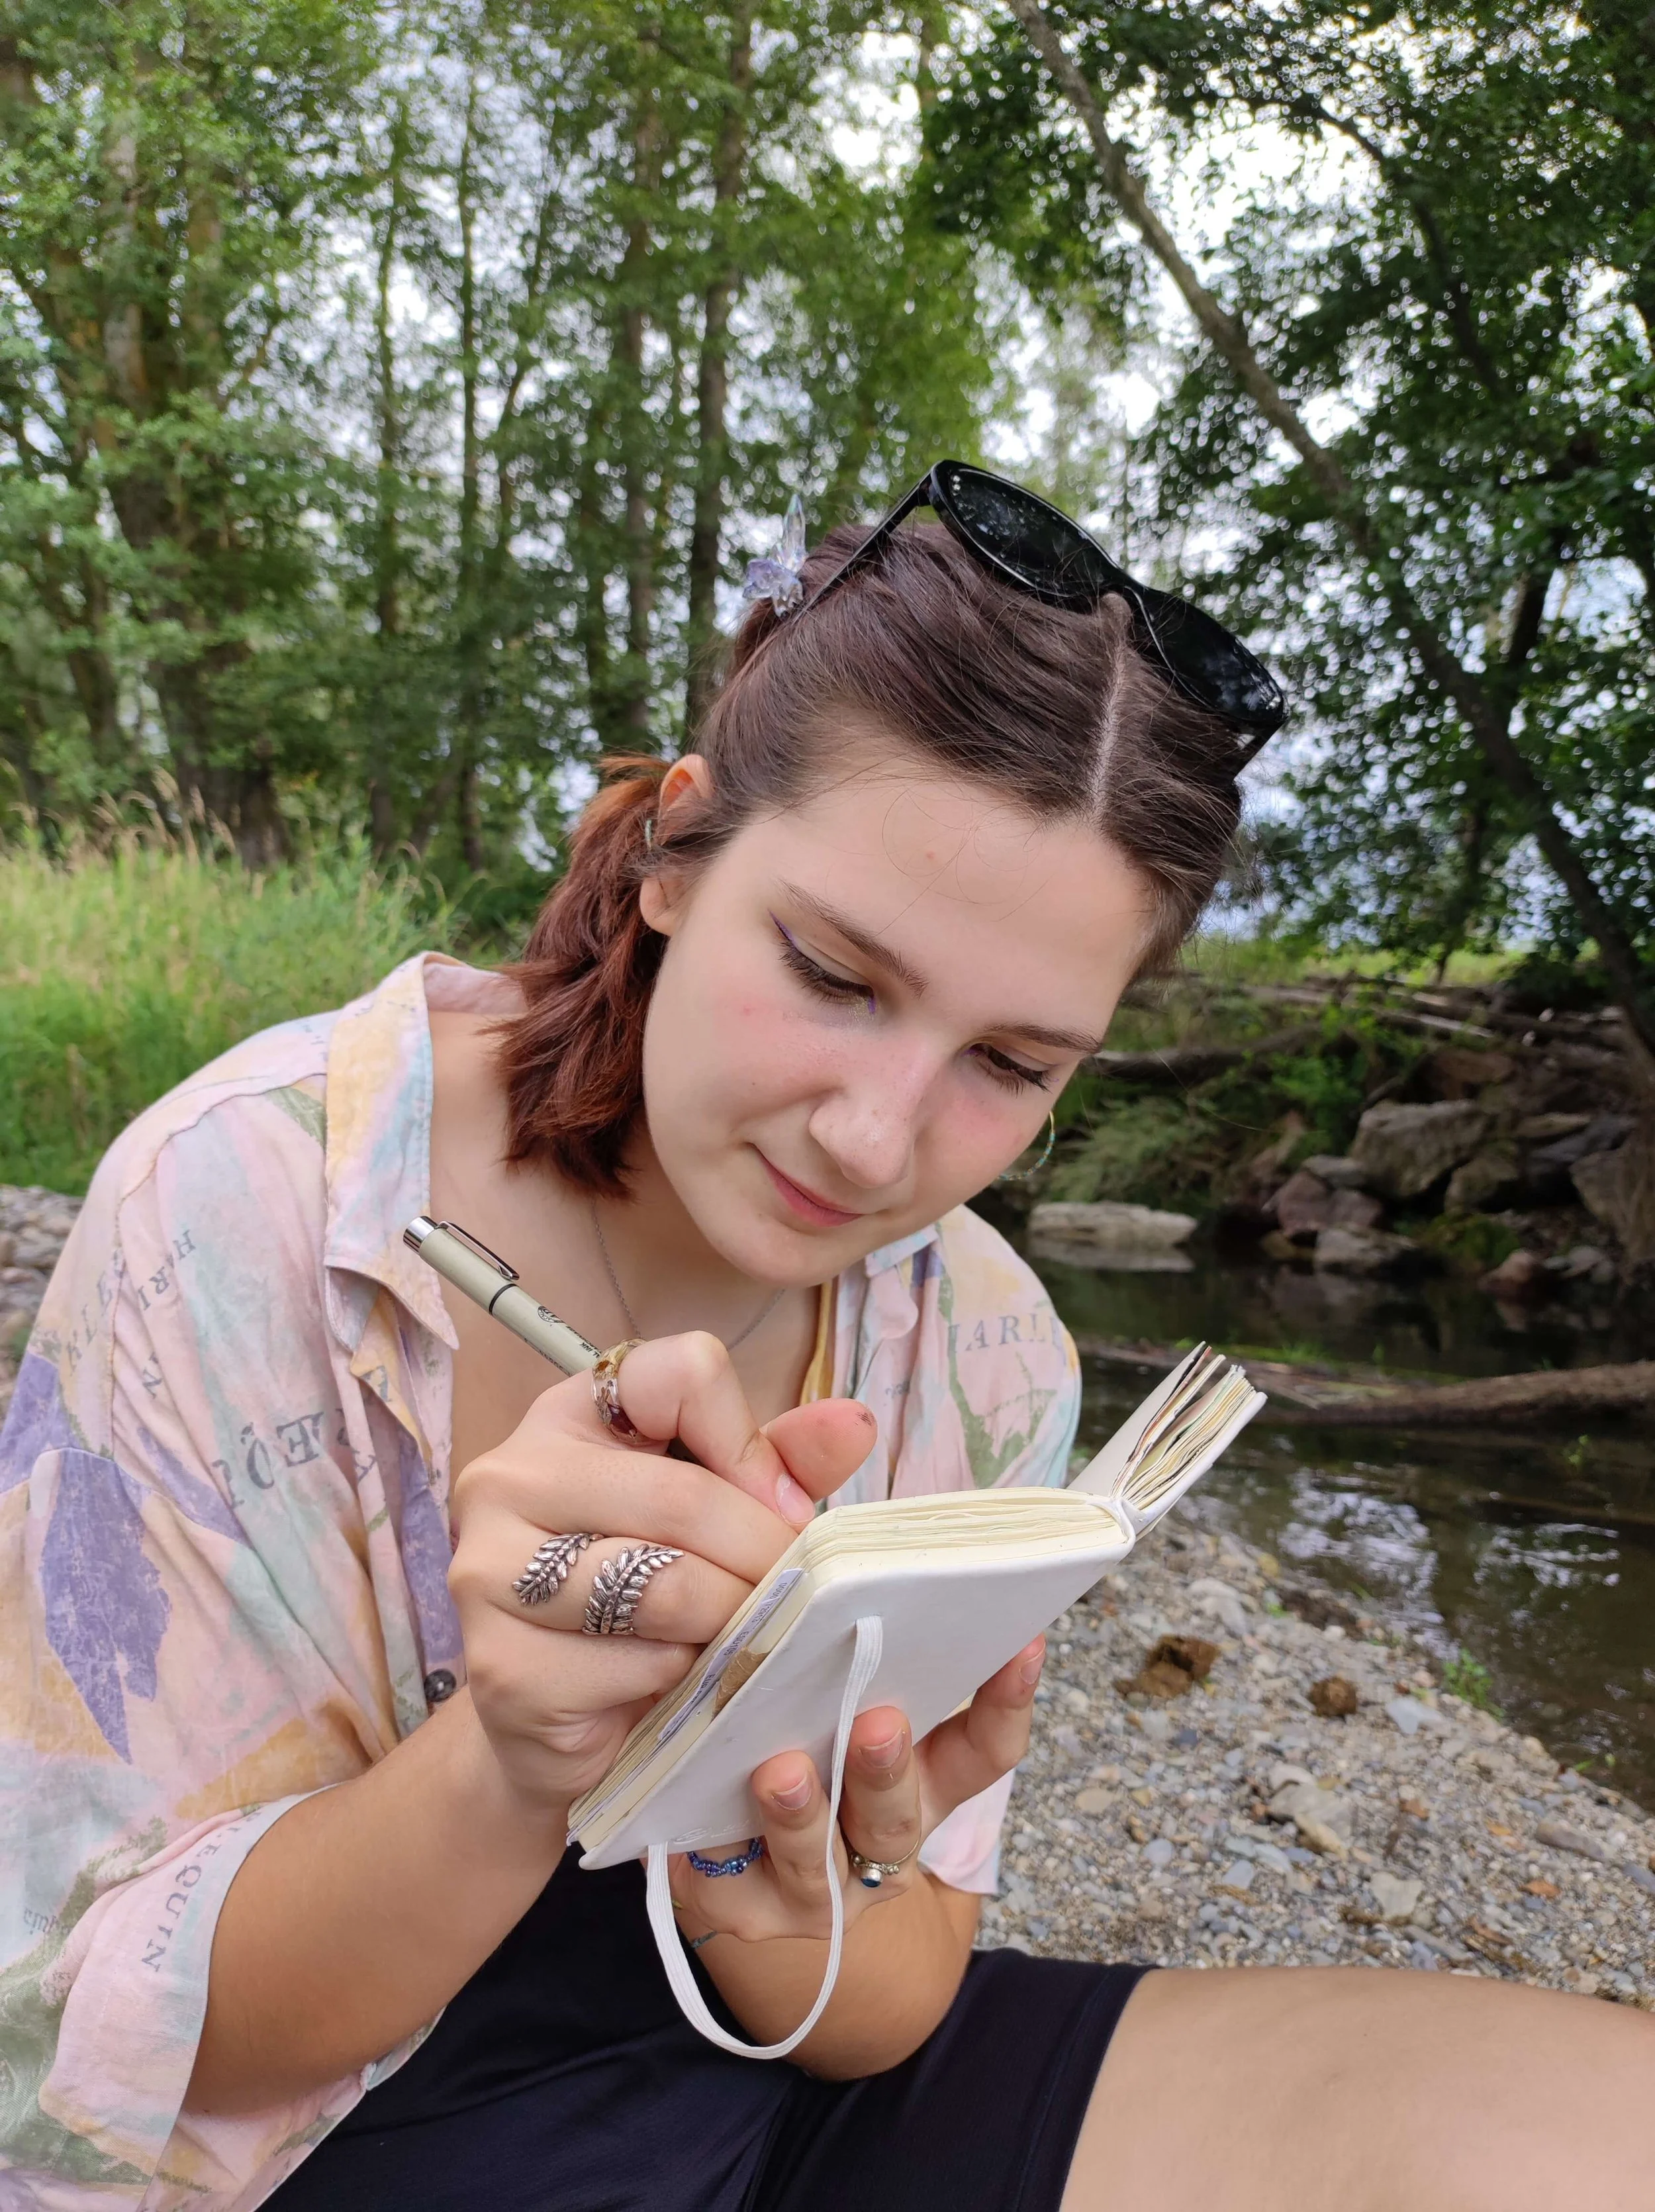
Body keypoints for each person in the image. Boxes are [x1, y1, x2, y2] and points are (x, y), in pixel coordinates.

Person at [2, 464, 1650, 2212]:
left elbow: (884, 1997)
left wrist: (779, 1886)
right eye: (834, 975)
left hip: (767, 2106)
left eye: (1008, 1063)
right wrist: (510, 1753)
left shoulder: (986, 1342)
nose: (876, 1145)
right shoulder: (249, 1207)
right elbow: (82, 2054)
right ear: (670, 853)